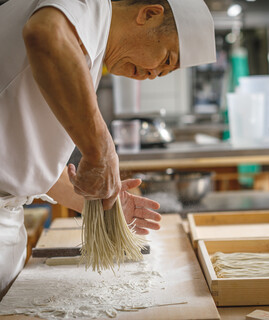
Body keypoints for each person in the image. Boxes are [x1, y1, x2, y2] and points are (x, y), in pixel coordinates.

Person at [0, 0, 216, 297]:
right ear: (149, 14)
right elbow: (45, 32)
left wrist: (103, 203)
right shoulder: (90, 5)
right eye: (166, 59)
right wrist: (102, 151)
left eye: (163, 74)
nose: (153, 74)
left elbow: (23, 163)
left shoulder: (88, 48)